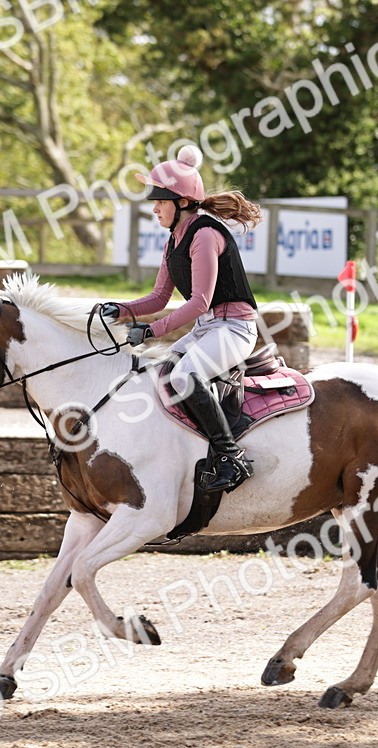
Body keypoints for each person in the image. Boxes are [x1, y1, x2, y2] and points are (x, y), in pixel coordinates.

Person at [101, 145, 262, 493]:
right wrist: (120, 309)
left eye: (160, 200)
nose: (154, 207)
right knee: (158, 374)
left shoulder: (204, 235)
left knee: (186, 375)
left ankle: (232, 457)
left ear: (183, 202)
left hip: (234, 328)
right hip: (208, 329)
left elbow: (200, 302)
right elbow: (159, 297)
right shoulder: (173, 239)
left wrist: (152, 331)